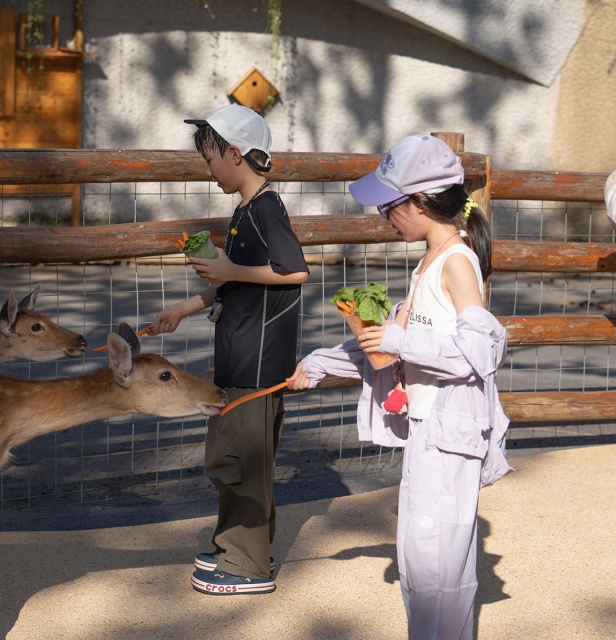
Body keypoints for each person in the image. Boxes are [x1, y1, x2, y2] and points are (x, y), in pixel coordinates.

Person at [287, 134, 512, 638]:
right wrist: (321, 362)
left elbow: (478, 354)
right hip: (428, 429)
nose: (384, 216)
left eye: (389, 205)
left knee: (439, 570)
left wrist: (398, 339)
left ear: (421, 202)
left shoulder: (456, 261)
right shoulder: (428, 263)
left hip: (449, 434)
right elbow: (389, 348)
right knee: (419, 562)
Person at [149, 104, 310, 595]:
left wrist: (229, 272)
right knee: (231, 458)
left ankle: (248, 566)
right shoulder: (244, 210)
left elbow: (295, 271)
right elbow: (229, 282)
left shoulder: (265, 207)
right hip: (238, 358)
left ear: (235, 153)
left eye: (211, 158)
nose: (208, 169)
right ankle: (234, 544)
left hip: (258, 365)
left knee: (244, 462)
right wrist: (182, 308)